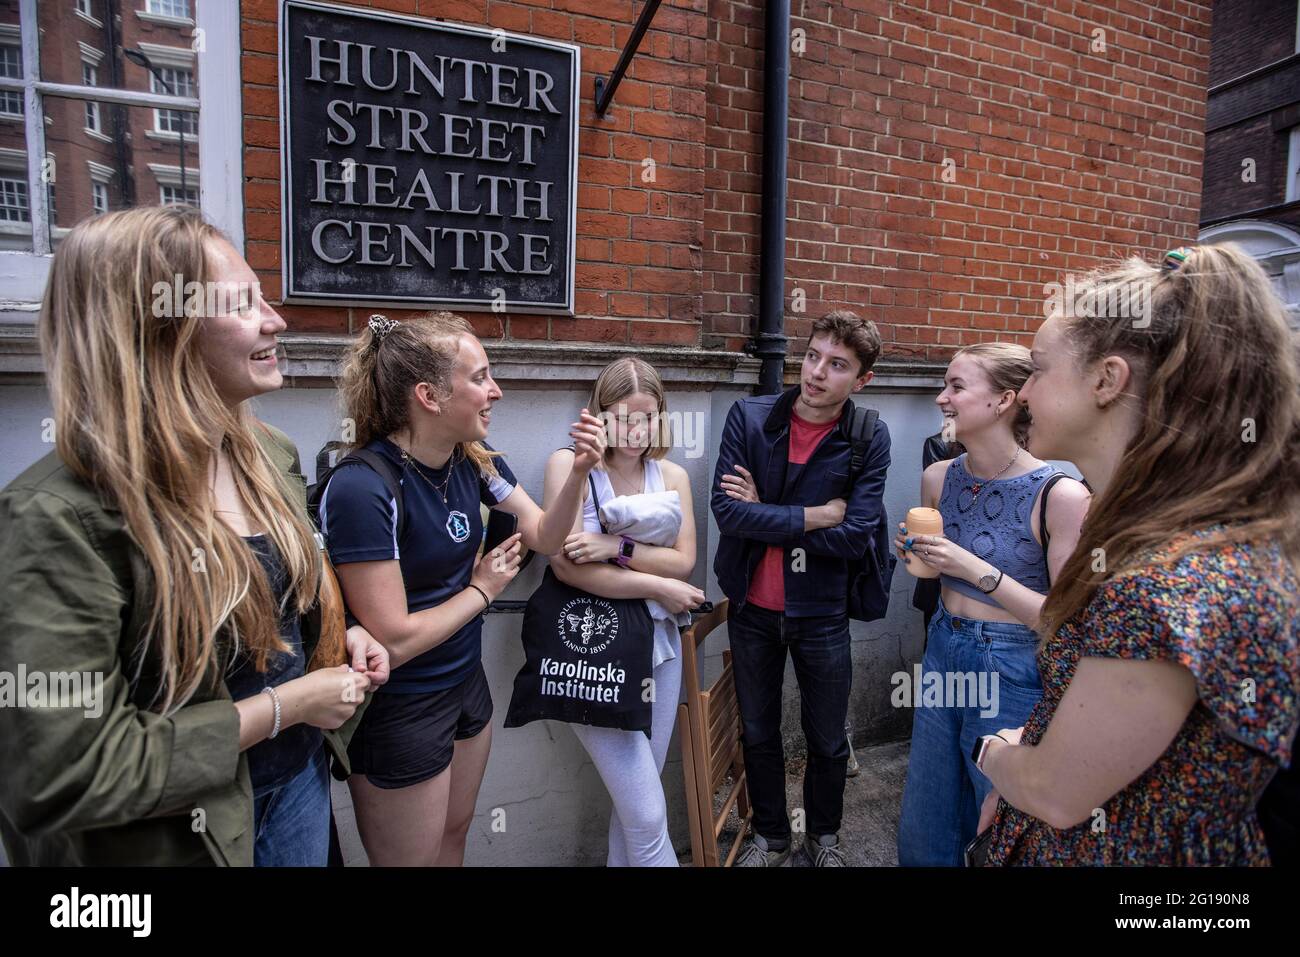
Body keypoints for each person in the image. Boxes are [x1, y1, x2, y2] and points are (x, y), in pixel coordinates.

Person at [0, 206, 384, 866]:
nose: (276, 320)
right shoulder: (55, 517)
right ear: (155, 329)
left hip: (298, 793)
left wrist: (333, 634)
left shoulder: (271, 456)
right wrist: (285, 705)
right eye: (242, 303)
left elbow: (277, 600)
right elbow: (61, 771)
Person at [974, 245, 1299, 865]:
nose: (1022, 393)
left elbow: (1059, 793)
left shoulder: (1162, 582)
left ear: (1107, 379)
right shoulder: (1198, 537)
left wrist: (997, 756)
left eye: (1037, 370)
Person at [320, 311, 605, 866]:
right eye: (480, 377)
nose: (494, 390)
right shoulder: (364, 487)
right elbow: (393, 639)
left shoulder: (474, 461)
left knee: (454, 839)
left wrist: (579, 474)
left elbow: (545, 535)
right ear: (429, 395)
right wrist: (481, 590)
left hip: (464, 685)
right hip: (400, 707)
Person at [893, 343, 1090, 866]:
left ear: (1005, 399)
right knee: (928, 816)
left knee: (998, 823)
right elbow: (936, 574)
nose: (942, 398)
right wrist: (921, 556)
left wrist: (967, 563)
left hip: (1010, 664)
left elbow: (1060, 620)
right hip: (943, 646)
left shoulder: (1061, 495)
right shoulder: (939, 478)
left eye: (956, 386)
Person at [710, 310, 891, 867]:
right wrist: (814, 515)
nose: (816, 373)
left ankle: (825, 839)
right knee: (759, 730)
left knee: (828, 737)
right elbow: (727, 513)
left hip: (822, 612)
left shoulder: (867, 434)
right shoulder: (751, 416)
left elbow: (856, 535)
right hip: (751, 608)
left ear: (860, 380)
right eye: (813, 356)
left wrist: (765, 509)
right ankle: (771, 837)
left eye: (837, 365)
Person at [541, 358, 705, 866]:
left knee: (638, 805)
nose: (635, 430)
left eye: (648, 417)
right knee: (648, 813)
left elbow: (684, 560)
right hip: (596, 649)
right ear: (599, 413)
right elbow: (568, 568)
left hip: (660, 646)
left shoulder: (671, 474)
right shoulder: (566, 465)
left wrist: (614, 546)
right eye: (622, 417)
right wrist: (659, 585)